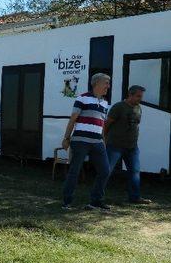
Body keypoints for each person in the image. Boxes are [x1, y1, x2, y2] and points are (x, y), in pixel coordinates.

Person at [62, 73, 111, 210]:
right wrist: (66, 138)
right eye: (106, 82)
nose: (108, 86)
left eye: (108, 83)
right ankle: (67, 202)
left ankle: (95, 202)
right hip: (80, 141)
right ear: (96, 84)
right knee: (75, 171)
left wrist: (103, 142)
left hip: (97, 142)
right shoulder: (82, 98)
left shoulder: (105, 103)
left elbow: (101, 125)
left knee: (105, 170)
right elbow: (73, 119)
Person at [103, 85, 152, 204]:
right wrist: (103, 140)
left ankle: (134, 197)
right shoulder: (118, 107)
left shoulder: (138, 108)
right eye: (138, 96)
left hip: (132, 147)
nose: (140, 99)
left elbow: (136, 125)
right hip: (115, 145)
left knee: (134, 171)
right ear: (130, 95)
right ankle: (97, 197)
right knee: (106, 171)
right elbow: (107, 124)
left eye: (141, 96)